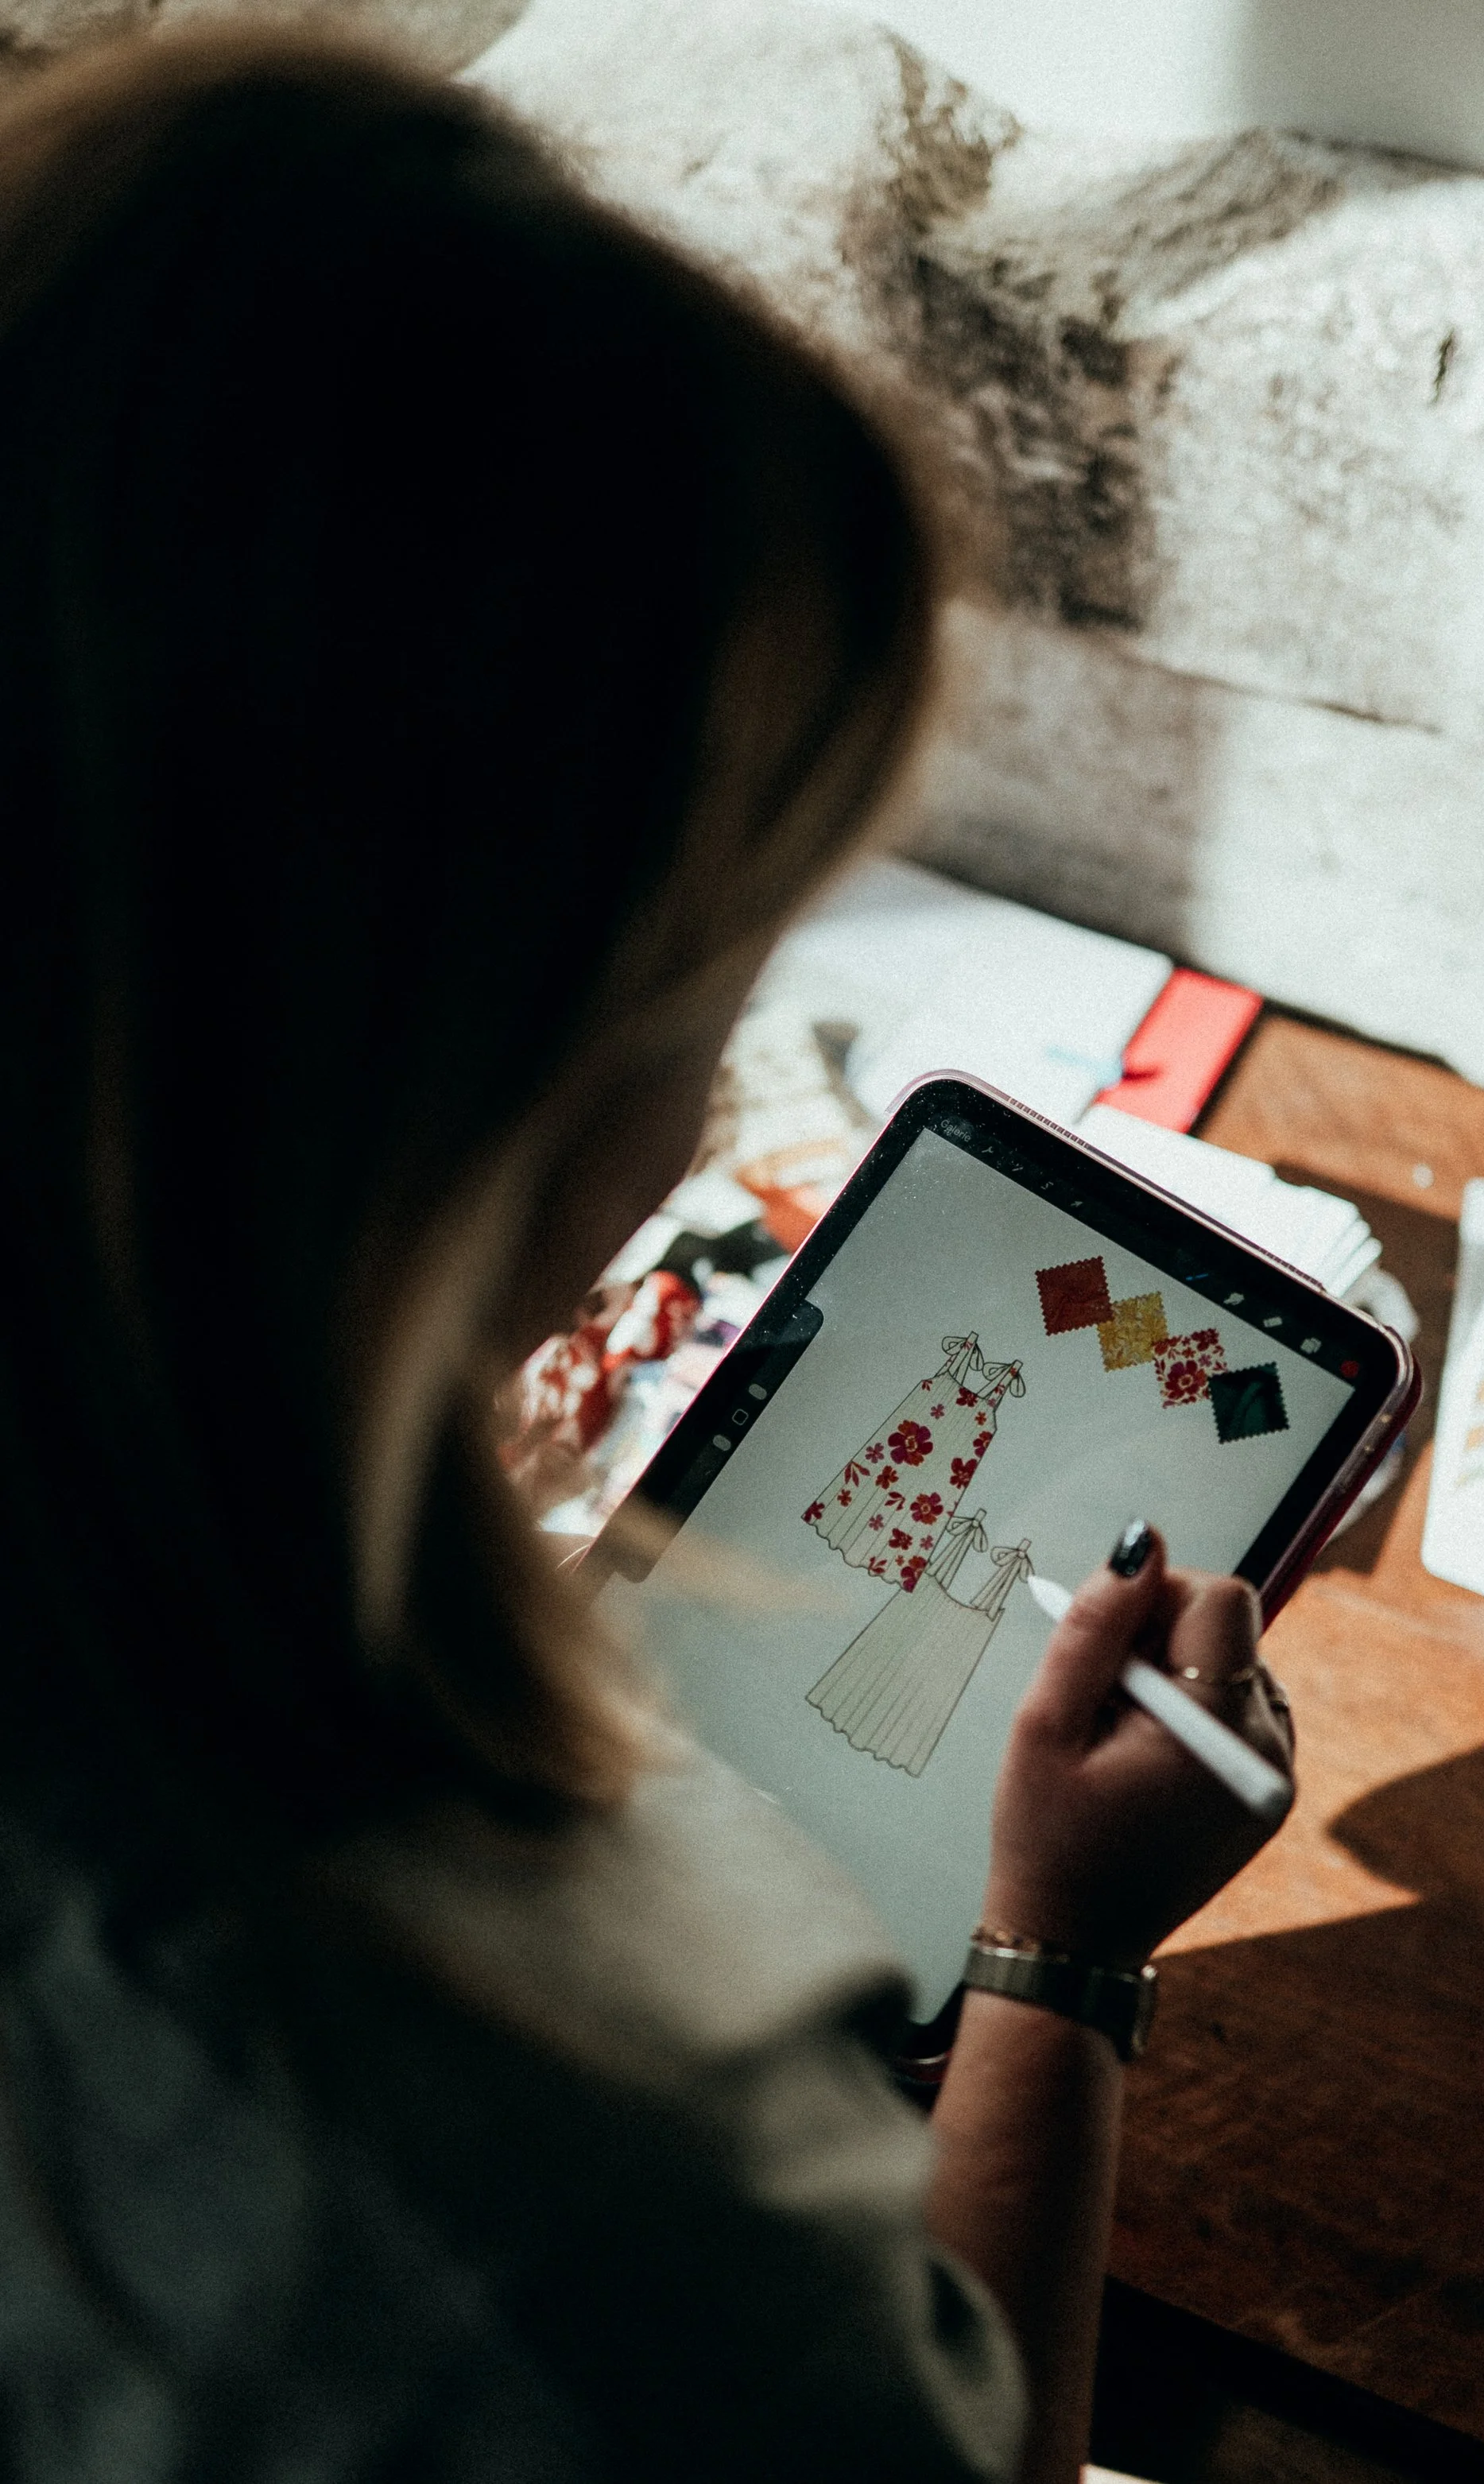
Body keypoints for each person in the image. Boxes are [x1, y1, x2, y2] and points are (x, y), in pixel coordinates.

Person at [0, 26, 1295, 2484]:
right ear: (435, 1115)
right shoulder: (547, 2187)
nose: (709, 1093)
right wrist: (1055, 1950)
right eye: (716, 973)